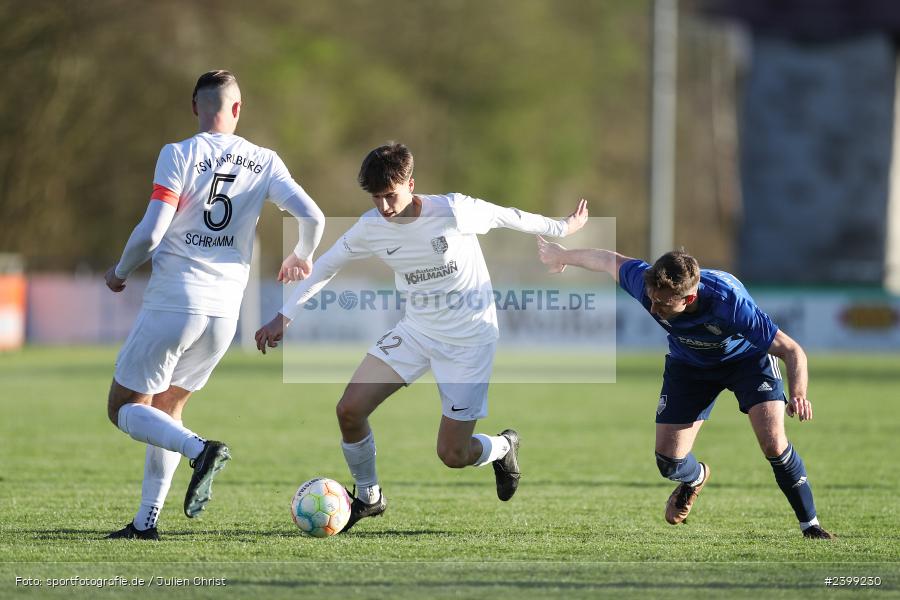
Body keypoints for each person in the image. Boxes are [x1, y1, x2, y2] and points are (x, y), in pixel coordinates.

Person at [255, 142, 588, 532]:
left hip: (469, 342)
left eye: (390, 195)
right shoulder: (371, 227)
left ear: (411, 184)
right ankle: (369, 497)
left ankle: (502, 447)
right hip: (416, 332)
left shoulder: (454, 210)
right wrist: (284, 315)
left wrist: (563, 228)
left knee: (452, 454)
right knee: (349, 410)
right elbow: (326, 266)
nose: (383, 207)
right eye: (376, 198)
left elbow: (509, 217)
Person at [103, 70, 325, 540]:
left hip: (175, 302)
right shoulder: (264, 160)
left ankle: (199, 450)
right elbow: (313, 215)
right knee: (165, 410)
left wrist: (120, 272)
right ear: (238, 109)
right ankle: (146, 523)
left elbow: (151, 232)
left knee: (122, 408)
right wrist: (301, 255)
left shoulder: (178, 153)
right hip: (226, 313)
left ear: (194, 107)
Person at [536, 240, 834, 539]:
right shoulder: (648, 283)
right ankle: (695, 479)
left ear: (688, 299)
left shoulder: (729, 303)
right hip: (690, 365)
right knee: (668, 462)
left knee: (773, 442)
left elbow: (793, 350)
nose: (653, 308)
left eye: (662, 304)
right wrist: (563, 255)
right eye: (651, 299)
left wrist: (798, 394)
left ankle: (811, 525)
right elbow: (608, 260)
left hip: (746, 361)